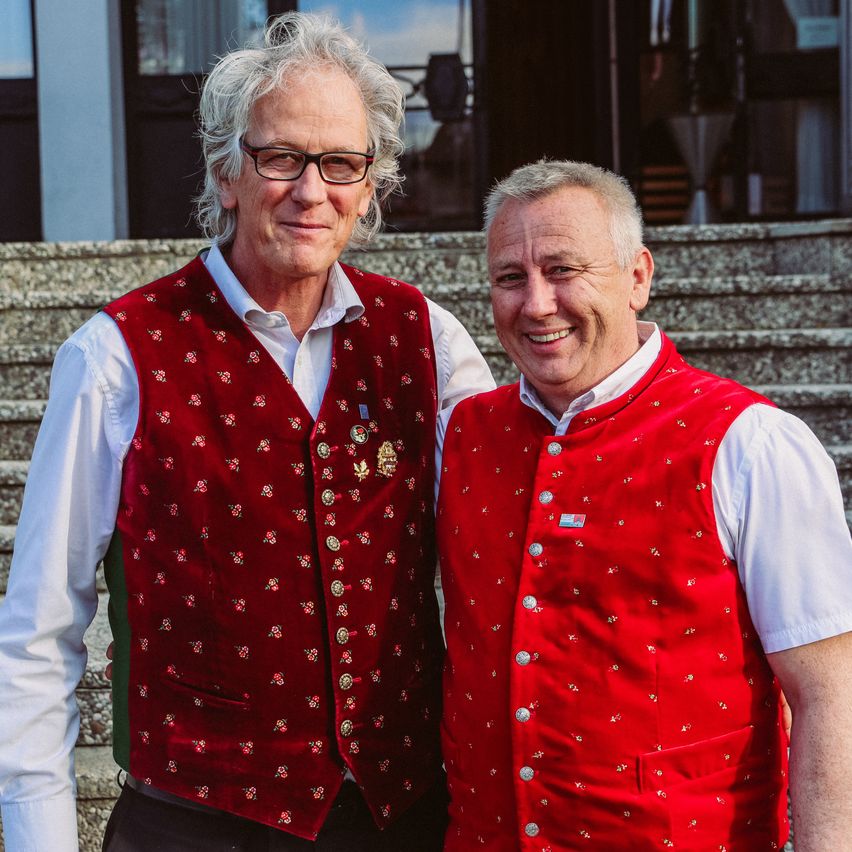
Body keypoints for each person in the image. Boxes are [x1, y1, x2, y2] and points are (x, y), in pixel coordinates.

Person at [0, 13, 494, 851]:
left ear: (370, 186)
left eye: (341, 163)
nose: (312, 191)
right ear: (227, 173)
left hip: (401, 819)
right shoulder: (116, 356)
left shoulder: (429, 341)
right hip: (195, 825)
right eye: (280, 158)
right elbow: (40, 633)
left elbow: (501, 564)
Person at [436, 159, 852, 850]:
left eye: (564, 270)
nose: (537, 303)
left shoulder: (750, 444)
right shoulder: (462, 434)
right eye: (511, 277)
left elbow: (830, 693)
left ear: (638, 277)